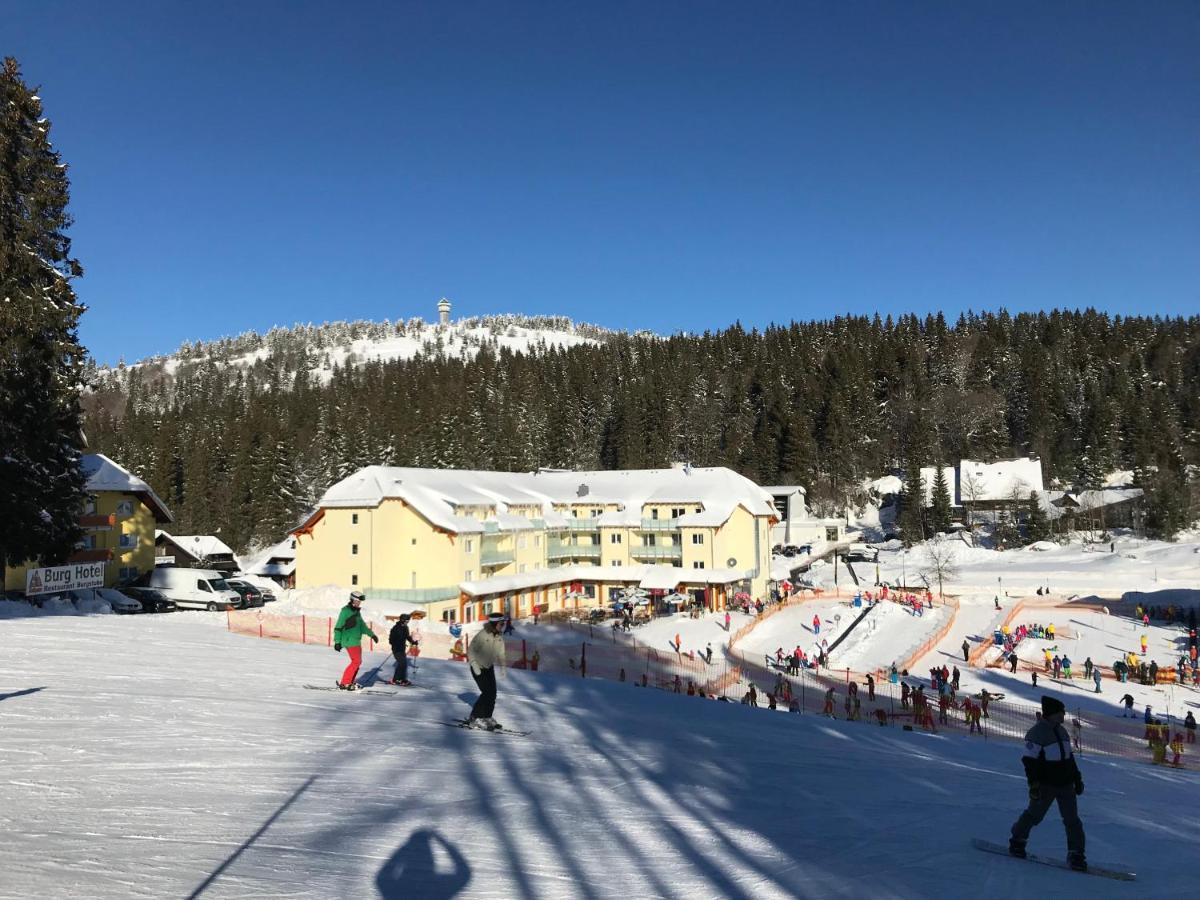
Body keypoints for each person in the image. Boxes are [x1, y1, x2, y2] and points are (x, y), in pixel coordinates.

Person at [1009, 695, 1086, 870]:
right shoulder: (1037, 733)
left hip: (1066, 784)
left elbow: (1069, 758)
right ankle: (1017, 840)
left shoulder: (1062, 731)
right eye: (1061, 712)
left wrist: (1077, 778)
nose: (1063, 715)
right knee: (1034, 815)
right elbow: (1029, 762)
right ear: (1051, 713)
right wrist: (1034, 785)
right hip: (1046, 785)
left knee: (1072, 820)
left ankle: (1076, 854)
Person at [466, 612, 507, 729]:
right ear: (494, 624)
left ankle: (487, 716)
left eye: (503, 624)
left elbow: (501, 653)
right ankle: (475, 717)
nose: (503, 625)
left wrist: (503, 667)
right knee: (486, 692)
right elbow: (471, 650)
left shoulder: (499, 636)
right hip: (478, 667)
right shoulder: (483, 635)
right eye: (501, 623)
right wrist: (474, 665)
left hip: (489, 667)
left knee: (493, 693)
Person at [333, 590, 378, 690]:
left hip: (356, 641)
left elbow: (362, 626)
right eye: (358, 601)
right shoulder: (345, 611)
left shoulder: (357, 612)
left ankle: (349, 682)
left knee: (357, 662)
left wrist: (372, 635)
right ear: (353, 600)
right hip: (349, 641)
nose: (359, 603)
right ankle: (345, 682)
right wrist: (337, 642)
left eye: (360, 602)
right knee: (356, 661)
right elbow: (338, 627)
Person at [387, 614, 419, 685]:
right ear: (402, 620)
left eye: (408, 621)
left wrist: (413, 642)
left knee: (404, 664)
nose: (407, 622)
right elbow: (391, 640)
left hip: (402, 648)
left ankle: (402, 679)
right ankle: (395, 679)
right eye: (406, 621)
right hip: (396, 649)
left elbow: (407, 636)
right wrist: (396, 643)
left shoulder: (405, 627)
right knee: (402, 663)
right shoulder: (395, 628)